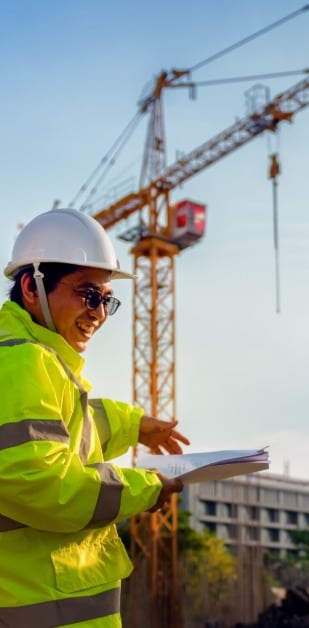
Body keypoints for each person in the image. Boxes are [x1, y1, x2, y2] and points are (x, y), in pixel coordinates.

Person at [0, 208, 189, 627]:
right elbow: (40, 482)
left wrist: (131, 424)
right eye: (88, 294)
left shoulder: (40, 359)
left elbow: (67, 427)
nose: (99, 313)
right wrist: (143, 487)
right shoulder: (20, 361)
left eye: (107, 299)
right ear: (31, 286)